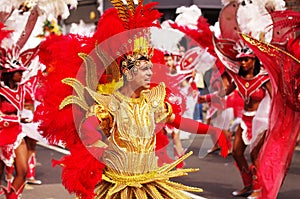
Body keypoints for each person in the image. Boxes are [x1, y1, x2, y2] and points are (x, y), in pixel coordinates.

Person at [199, 43, 272, 198]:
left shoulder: (264, 79)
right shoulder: (238, 79)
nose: (243, 63)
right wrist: (203, 98)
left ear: (254, 60)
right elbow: (223, 92)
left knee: (255, 156)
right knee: (237, 153)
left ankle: (259, 189)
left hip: (261, 121)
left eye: (247, 59)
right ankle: (248, 185)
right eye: (241, 60)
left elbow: (276, 99)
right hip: (245, 120)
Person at [0, 50, 29, 198]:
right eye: (18, 72)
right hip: (1, 134)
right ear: (9, 73)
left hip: (16, 133)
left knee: (22, 171)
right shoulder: (1, 91)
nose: (21, 74)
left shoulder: (21, 89)